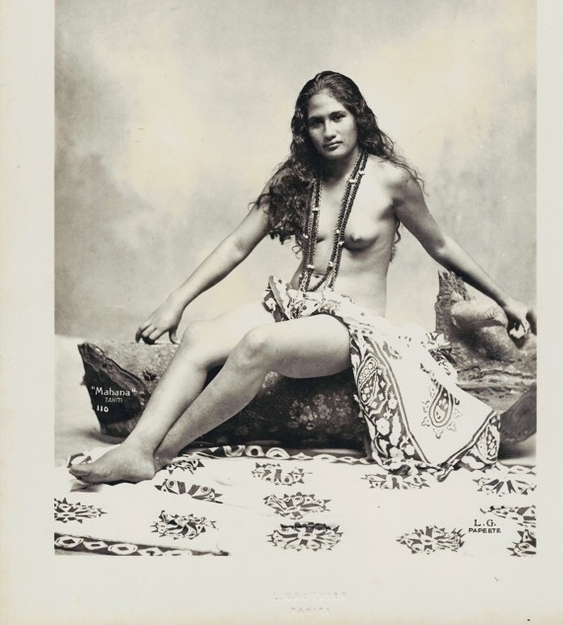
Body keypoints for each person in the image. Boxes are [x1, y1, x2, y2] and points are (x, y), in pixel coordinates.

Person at [70, 71, 536, 485]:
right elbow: (237, 244)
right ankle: (135, 450)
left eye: (338, 117)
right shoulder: (295, 179)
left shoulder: (392, 181)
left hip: (349, 326)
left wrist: (505, 299)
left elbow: (442, 245)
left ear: (358, 118)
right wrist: (177, 301)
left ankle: (161, 454)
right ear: (304, 129)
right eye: (316, 122)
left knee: (257, 344)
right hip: (293, 305)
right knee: (198, 337)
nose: (329, 131)